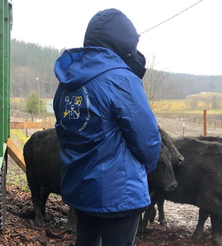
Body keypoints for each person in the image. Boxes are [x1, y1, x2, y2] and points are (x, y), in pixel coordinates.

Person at [53, 8, 161, 246]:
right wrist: (148, 167)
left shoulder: (67, 83)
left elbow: (66, 133)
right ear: (122, 43)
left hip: (81, 189)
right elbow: (147, 139)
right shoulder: (121, 79)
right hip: (119, 193)